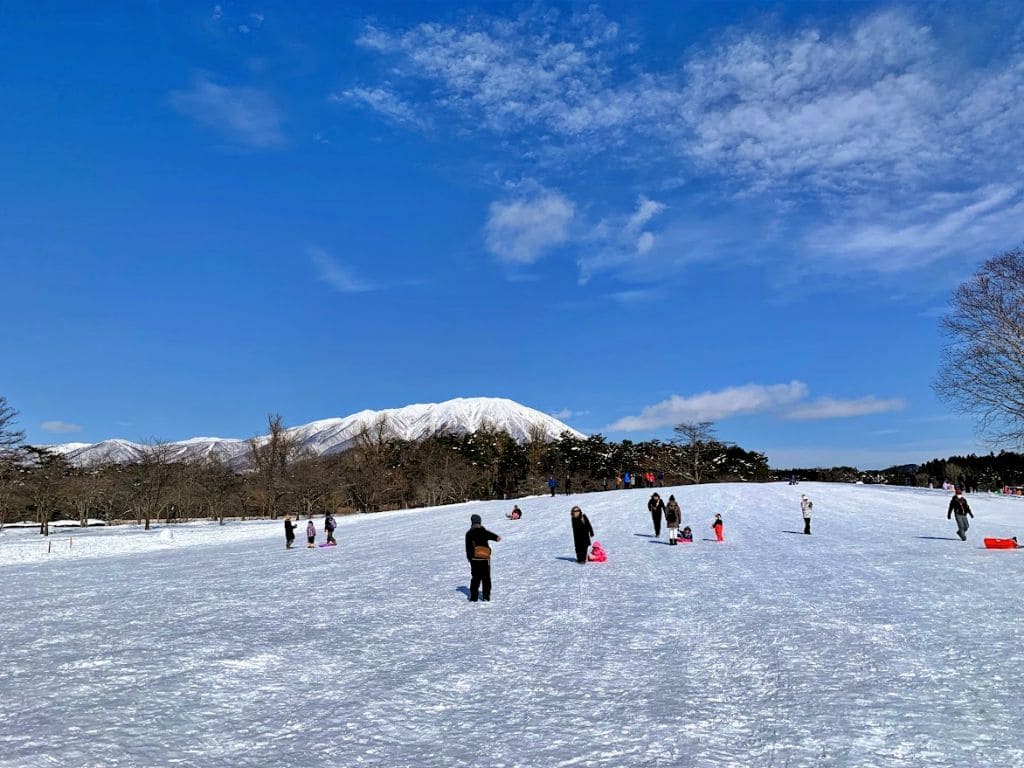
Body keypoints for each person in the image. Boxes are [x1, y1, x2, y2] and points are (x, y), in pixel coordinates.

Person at [465, 513, 501, 602]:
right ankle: (486, 597)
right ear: (480, 522)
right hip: (485, 558)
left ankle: (474, 597)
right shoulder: (483, 531)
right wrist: (496, 538)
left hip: (474, 559)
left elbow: (468, 548)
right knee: (486, 578)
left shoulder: (469, 533)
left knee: (475, 579)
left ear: (472, 522)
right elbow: (495, 537)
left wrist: (470, 559)